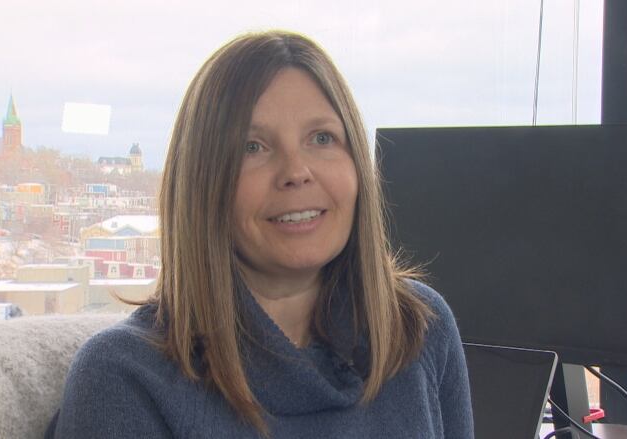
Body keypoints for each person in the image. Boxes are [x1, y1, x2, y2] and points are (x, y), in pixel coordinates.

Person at [46, 30, 473, 438]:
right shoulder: (123, 378)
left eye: (322, 138)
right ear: (202, 185)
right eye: (253, 147)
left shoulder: (419, 327)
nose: (296, 171)